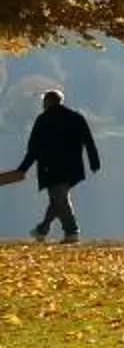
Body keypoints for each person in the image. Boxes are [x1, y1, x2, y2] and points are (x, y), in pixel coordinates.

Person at [14, 90, 100, 243]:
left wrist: (22, 169)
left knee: (59, 198)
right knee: (57, 199)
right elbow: (88, 140)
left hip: (51, 168)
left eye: (43, 102)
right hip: (73, 167)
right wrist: (94, 162)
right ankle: (42, 230)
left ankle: (71, 231)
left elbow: (34, 148)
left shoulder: (43, 119)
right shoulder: (76, 117)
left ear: (48, 102)